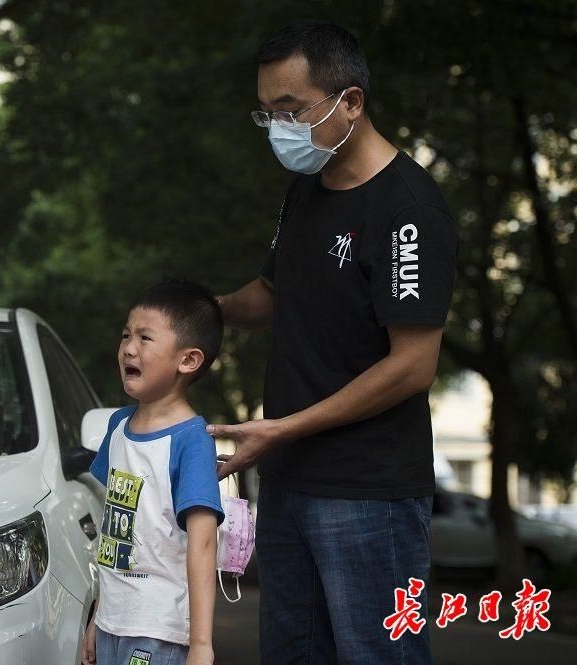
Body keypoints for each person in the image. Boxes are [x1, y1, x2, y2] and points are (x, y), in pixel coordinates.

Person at [207, 20, 458, 664]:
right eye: (266, 114)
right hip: (289, 483)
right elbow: (273, 293)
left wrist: (280, 429)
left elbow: (412, 366)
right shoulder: (306, 189)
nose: (279, 129)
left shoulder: (408, 208)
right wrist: (200, 311)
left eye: (291, 110)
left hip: (368, 493)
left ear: (350, 100)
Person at [82, 279, 225, 665]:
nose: (128, 347)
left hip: (160, 631)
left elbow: (203, 544)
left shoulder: (192, 441)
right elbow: (114, 532)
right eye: (126, 335)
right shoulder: (118, 426)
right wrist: (98, 620)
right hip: (113, 624)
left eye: (145, 338)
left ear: (188, 360)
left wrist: (201, 645)